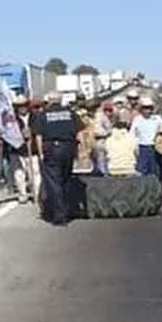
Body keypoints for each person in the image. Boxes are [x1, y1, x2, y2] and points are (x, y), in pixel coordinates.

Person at [33, 92, 83, 225]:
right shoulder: (71, 113)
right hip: (68, 148)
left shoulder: (43, 115)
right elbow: (79, 134)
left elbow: (38, 136)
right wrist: (78, 152)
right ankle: (67, 209)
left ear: (49, 101)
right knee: (66, 179)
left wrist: (41, 153)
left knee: (54, 182)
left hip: (51, 148)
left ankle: (59, 215)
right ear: (60, 101)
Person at [129, 97, 162, 177]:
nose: (148, 111)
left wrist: (160, 136)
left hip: (154, 148)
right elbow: (132, 135)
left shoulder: (157, 119)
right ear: (141, 109)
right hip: (142, 148)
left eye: (149, 108)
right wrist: (134, 148)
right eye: (145, 108)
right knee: (141, 172)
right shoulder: (137, 120)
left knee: (154, 171)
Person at [92, 101, 114, 175]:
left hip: (102, 140)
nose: (108, 112)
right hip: (100, 140)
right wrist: (107, 133)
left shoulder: (104, 117)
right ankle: (102, 173)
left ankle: (101, 172)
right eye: (106, 110)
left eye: (110, 110)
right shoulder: (101, 116)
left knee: (102, 158)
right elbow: (97, 131)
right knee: (100, 158)